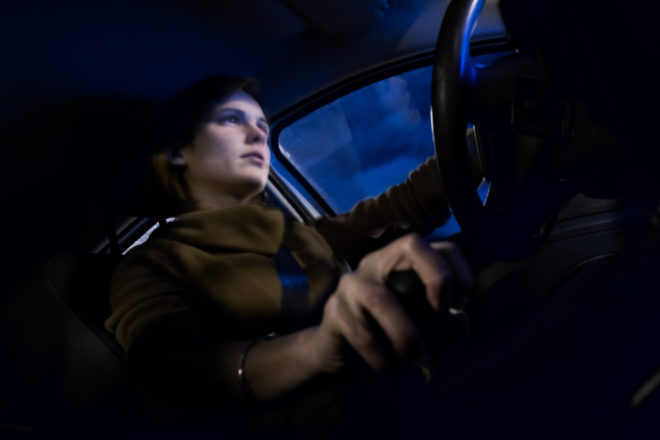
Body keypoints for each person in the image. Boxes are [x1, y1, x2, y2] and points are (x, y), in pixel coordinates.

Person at [104, 75, 473, 436]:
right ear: (176, 151)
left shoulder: (301, 235)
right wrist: (316, 347)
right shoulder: (150, 265)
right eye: (232, 119)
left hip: (405, 405)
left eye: (262, 124)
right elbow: (172, 371)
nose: (257, 133)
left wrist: (475, 148)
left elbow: (401, 205)